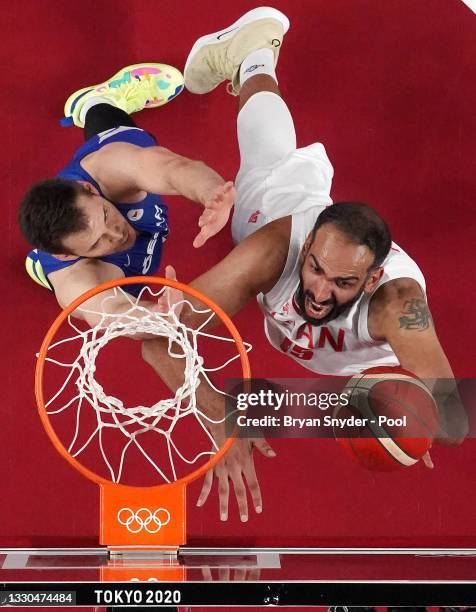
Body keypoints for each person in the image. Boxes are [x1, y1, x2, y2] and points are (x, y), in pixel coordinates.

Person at [141, 7, 468, 522]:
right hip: (279, 204)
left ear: (374, 279)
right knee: (269, 160)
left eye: (343, 283)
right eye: (315, 268)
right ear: (309, 241)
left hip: (356, 356)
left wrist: (419, 422)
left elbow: (452, 418)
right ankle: (252, 51)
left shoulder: (398, 305)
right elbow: (156, 343)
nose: (318, 290)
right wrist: (223, 418)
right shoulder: (275, 250)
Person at [19, 63, 236, 322]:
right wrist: (155, 317)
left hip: (113, 177)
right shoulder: (77, 278)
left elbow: (174, 169)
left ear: (88, 188)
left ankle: (96, 102)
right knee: (79, 290)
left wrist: (211, 193)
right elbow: (111, 312)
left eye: (106, 215)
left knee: (131, 140)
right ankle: (45, 266)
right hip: (98, 270)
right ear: (66, 255)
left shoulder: (107, 170)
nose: (117, 234)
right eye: (98, 242)